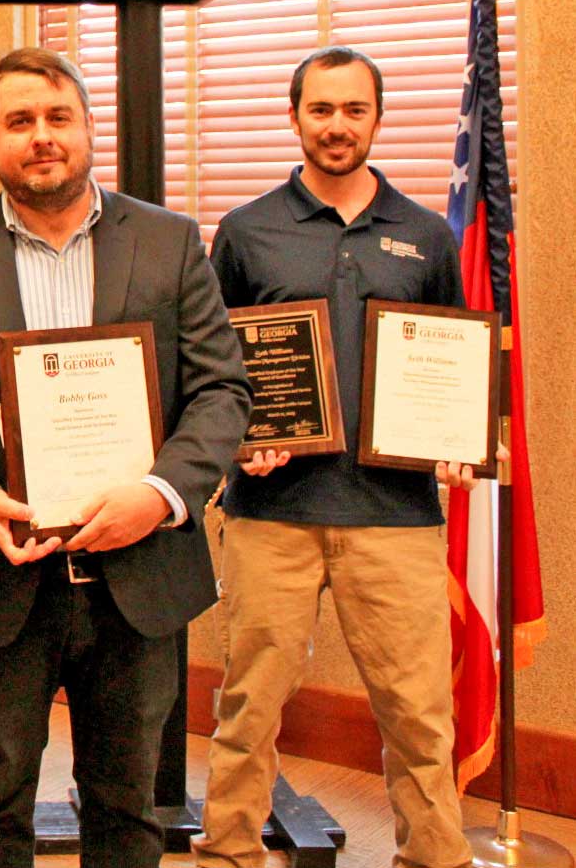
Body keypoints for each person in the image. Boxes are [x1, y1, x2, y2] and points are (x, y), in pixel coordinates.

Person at [0, 47, 251, 868]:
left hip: (141, 575)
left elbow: (221, 393)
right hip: (0, 575)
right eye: (20, 122)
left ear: (87, 129)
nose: (41, 137)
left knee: (128, 803)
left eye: (58, 118)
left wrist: (159, 493)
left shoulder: (166, 242)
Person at [192, 47, 481, 868]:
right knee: (247, 707)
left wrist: (457, 442)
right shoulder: (247, 231)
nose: (336, 126)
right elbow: (216, 370)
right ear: (294, 117)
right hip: (270, 517)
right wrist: (240, 444)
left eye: (353, 110)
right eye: (320, 109)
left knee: (419, 714)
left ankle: (434, 856)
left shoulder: (424, 234)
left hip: (395, 519)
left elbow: (451, 361)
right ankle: (229, 852)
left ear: (376, 119)